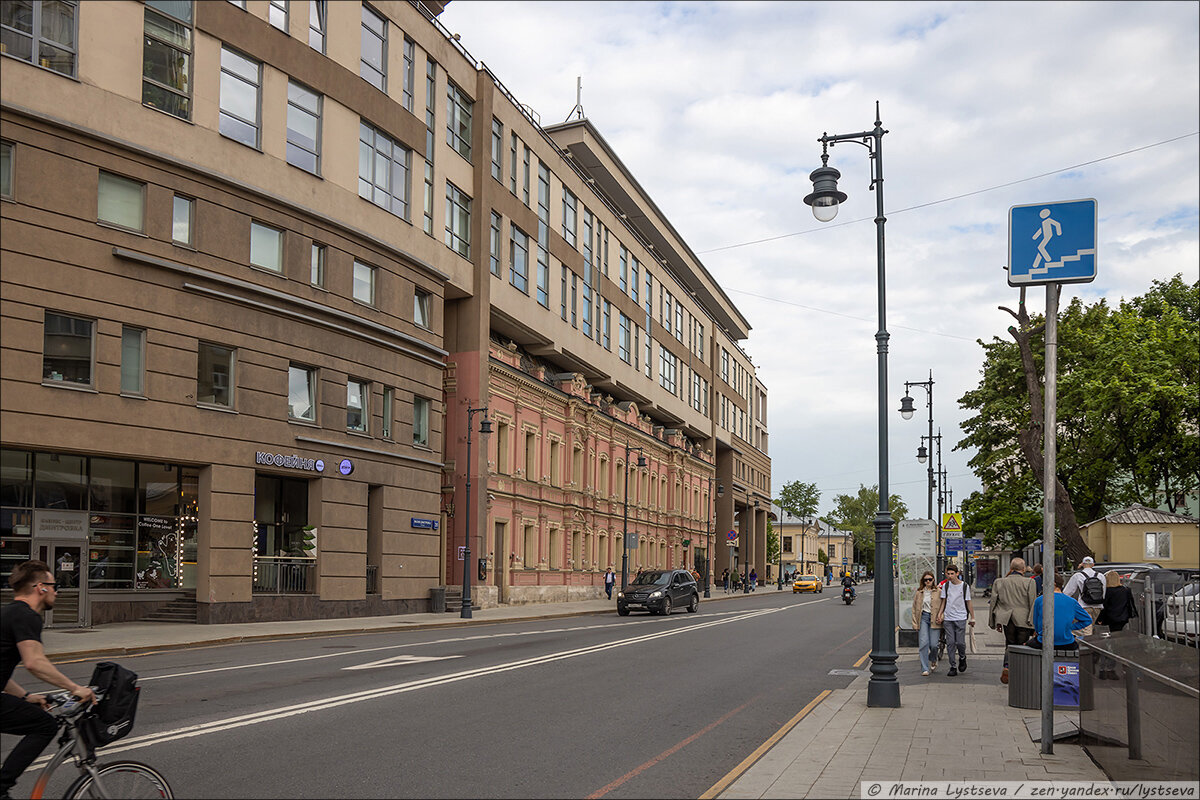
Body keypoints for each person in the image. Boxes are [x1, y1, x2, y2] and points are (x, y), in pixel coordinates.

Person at [2, 561, 97, 799]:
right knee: (45, 725)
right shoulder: (27, 616)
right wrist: (76, 688)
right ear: (41, 588)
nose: (57, 591)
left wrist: (25, 696)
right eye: (55, 586)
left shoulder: (7, 613)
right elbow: (34, 662)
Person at [988, 557, 1038, 685]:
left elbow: (994, 602)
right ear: (1023, 569)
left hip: (1006, 618)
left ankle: (1007, 666)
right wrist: (1034, 624)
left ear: (1011, 568)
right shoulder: (1029, 582)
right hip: (1024, 618)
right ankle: (1020, 672)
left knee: (1009, 644)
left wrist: (994, 621)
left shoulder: (999, 582)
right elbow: (1033, 602)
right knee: (1022, 645)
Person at [1028, 571, 1093, 651]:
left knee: (1028, 644)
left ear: (1053, 584)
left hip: (1044, 641)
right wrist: (1070, 627)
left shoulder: (1040, 600)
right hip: (1066, 642)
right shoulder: (1072, 602)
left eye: (1044, 583)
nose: (1042, 585)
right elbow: (1087, 620)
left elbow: (1037, 625)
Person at [935, 563, 974, 676]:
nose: (950, 576)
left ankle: (962, 657)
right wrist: (940, 614)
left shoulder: (964, 586)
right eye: (948, 574)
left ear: (957, 574)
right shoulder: (946, 586)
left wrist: (973, 617)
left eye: (952, 574)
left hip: (961, 617)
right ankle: (952, 666)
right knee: (951, 643)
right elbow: (943, 601)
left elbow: (969, 602)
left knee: (960, 643)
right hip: (948, 618)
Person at [910, 571, 943, 677]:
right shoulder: (919, 592)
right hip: (923, 618)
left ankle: (933, 659)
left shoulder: (939, 591)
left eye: (930, 579)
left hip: (935, 619)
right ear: (923, 581)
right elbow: (914, 609)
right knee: (923, 643)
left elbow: (944, 606)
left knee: (934, 645)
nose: (928, 581)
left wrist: (941, 617)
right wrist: (915, 623)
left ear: (933, 580)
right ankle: (924, 668)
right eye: (925, 580)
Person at [1063, 556, 1104, 635]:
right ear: (1093, 564)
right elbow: (1103, 593)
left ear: (1082, 564)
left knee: (1085, 629)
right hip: (1098, 606)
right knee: (1090, 626)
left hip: (1084, 605)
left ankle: (1086, 644)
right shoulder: (1101, 576)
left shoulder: (1078, 576)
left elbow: (1067, 592)